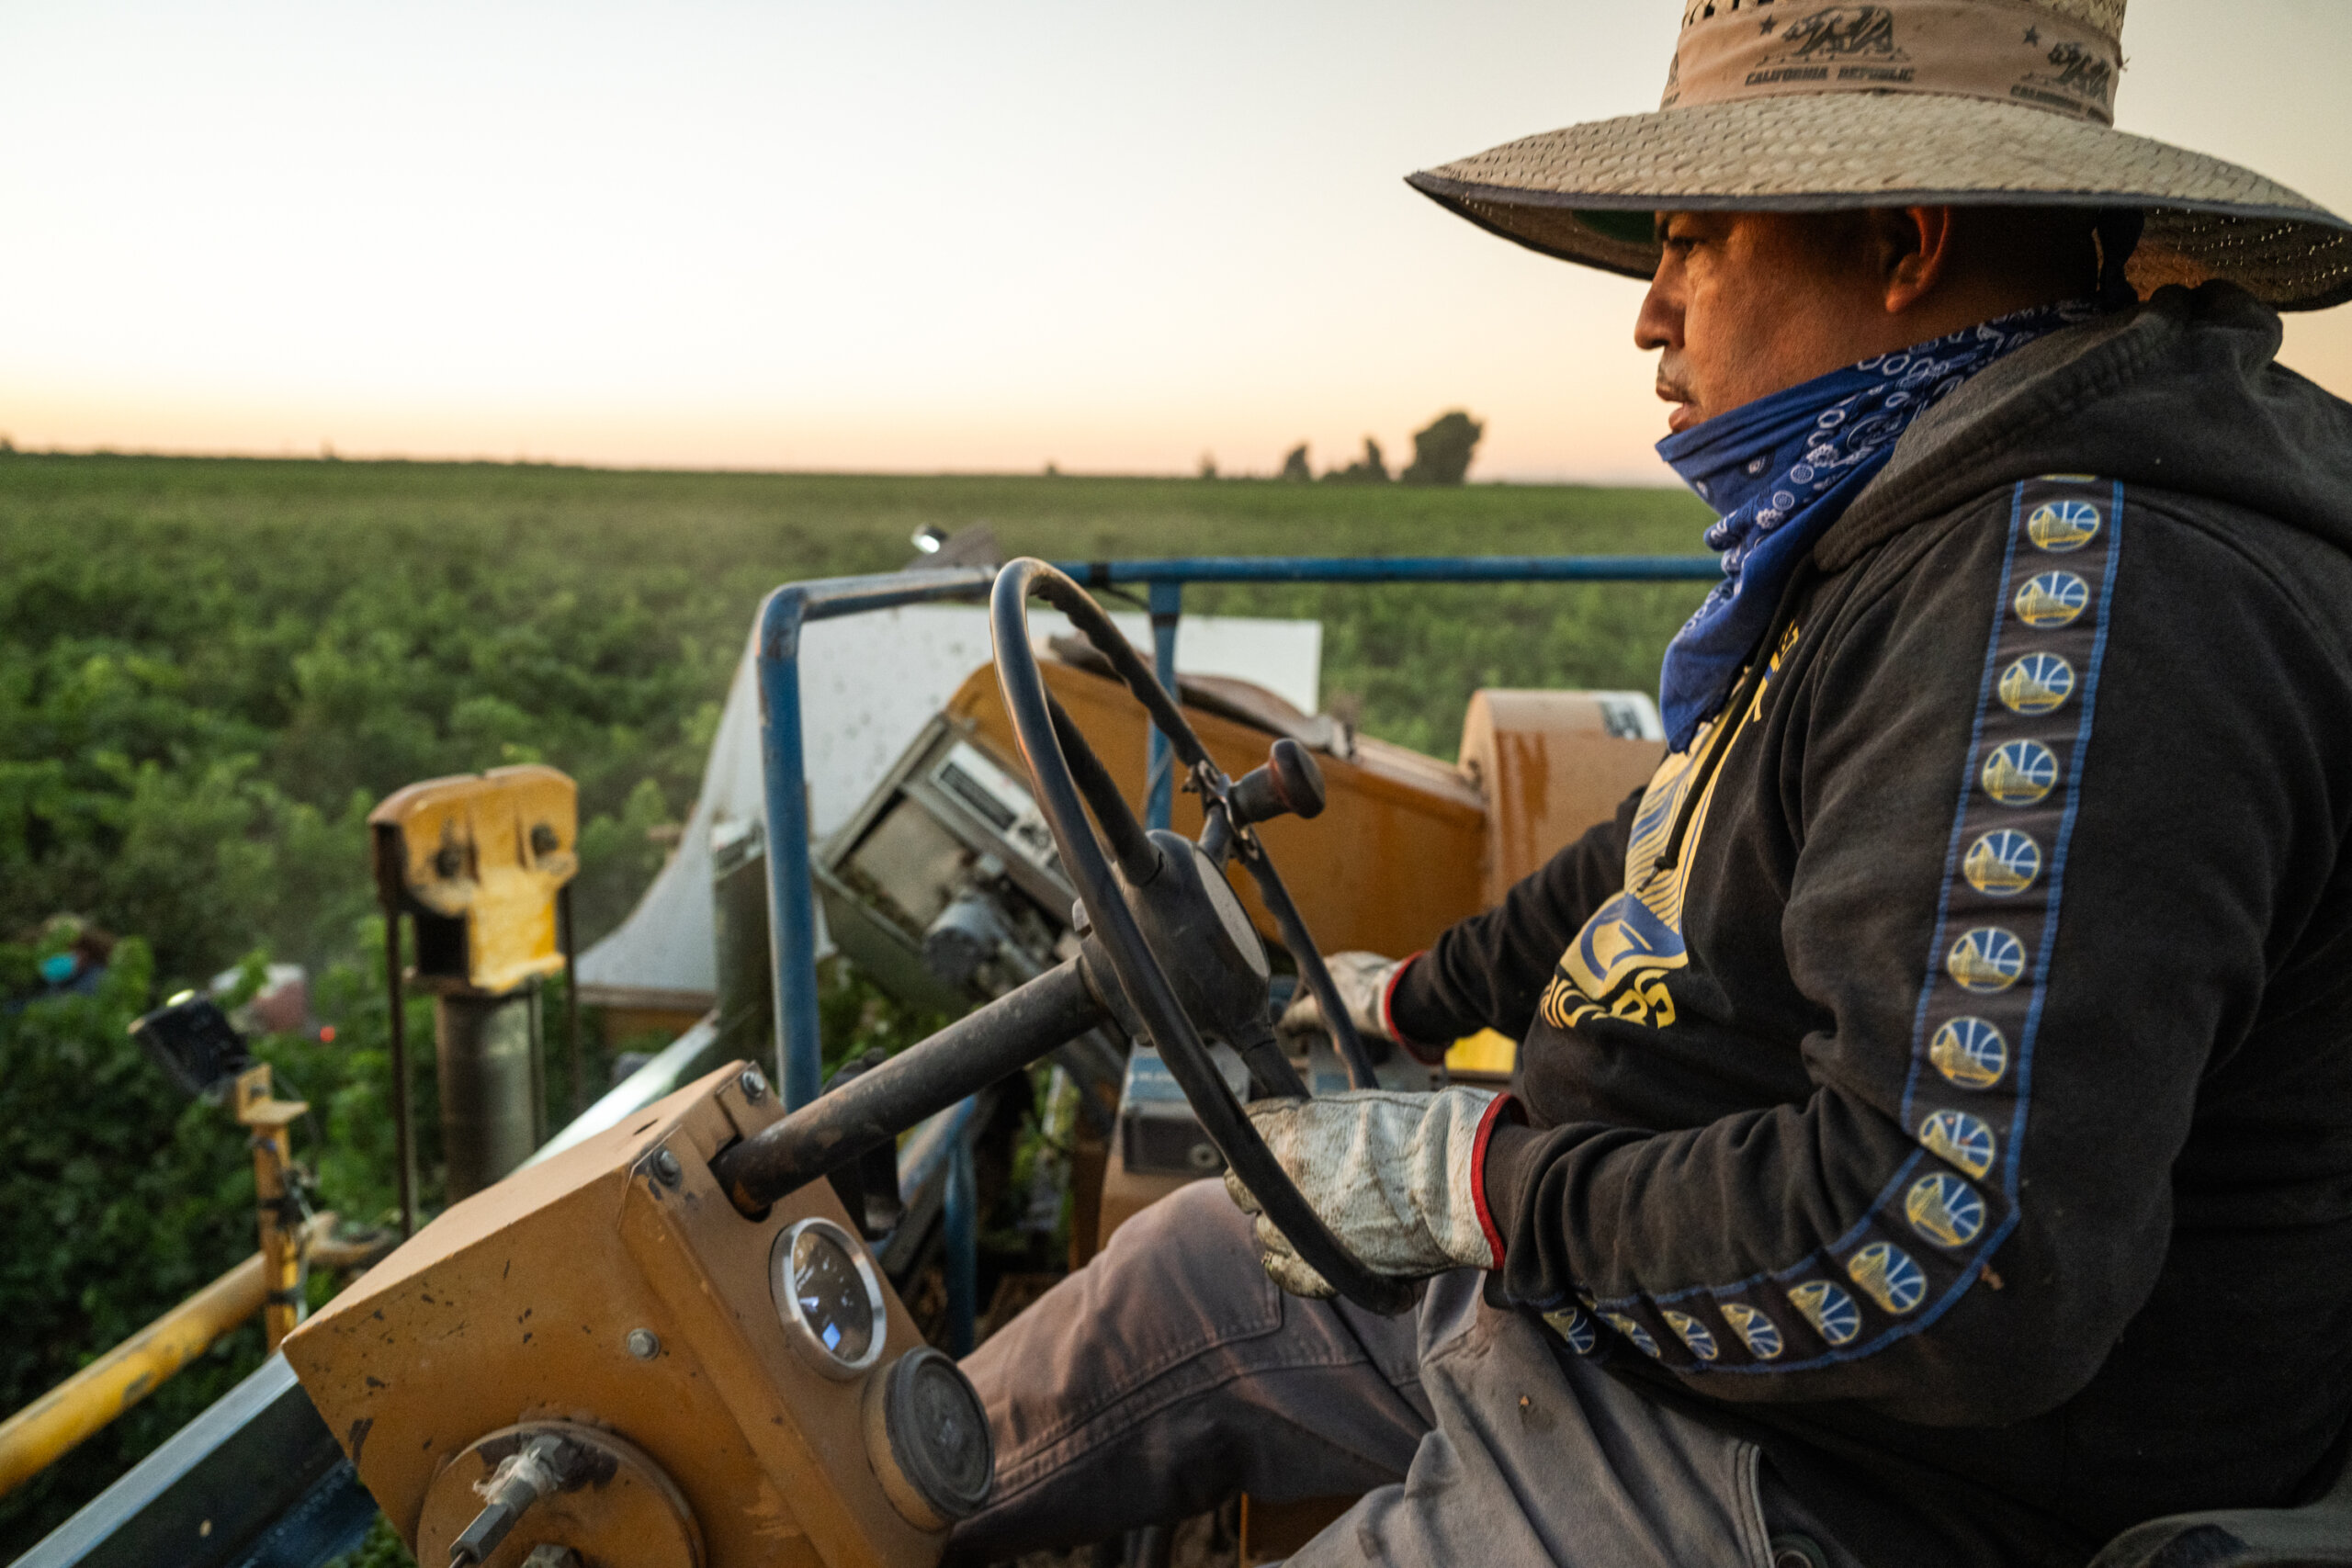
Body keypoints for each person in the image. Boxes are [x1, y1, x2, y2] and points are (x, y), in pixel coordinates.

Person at [954, 3, 2352, 1563]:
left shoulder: (2091, 603)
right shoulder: (1917, 512)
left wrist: (1478, 1189)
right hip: (1633, 1309)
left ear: (1902, 239)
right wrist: (1409, 1000)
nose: (1651, 311)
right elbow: (1680, 842)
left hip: (1863, 1472)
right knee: (1198, 1265)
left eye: (1691, 241)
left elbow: (1949, 1254)